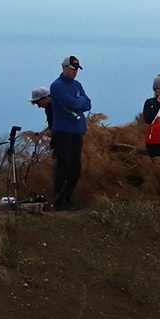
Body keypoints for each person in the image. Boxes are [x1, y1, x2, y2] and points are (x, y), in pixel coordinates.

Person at [48, 54, 92, 211]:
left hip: (77, 131)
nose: (75, 72)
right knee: (64, 165)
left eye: (76, 69)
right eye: (72, 68)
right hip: (62, 131)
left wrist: (78, 103)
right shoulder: (57, 85)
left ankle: (67, 197)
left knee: (76, 167)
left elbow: (88, 103)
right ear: (64, 67)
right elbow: (73, 103)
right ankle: (58, 199)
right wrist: (78, 102)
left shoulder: (77, 85)